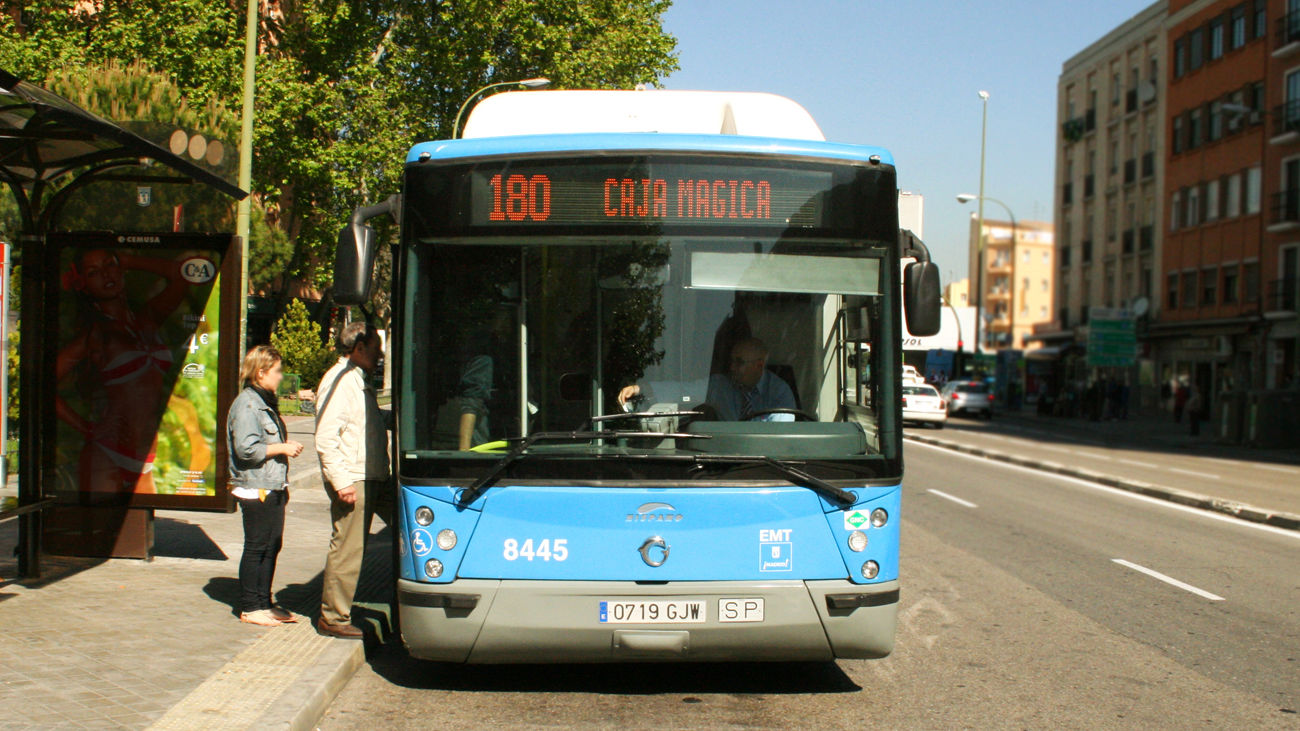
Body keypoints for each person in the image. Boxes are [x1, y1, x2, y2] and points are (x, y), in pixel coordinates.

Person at [55, 249, 200, 495]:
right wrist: (86, 428)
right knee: (100, 530)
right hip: (107, 452)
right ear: (84, 286)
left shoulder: (146, 319)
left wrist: (128, 260)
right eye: (93, 273)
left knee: (139, 527)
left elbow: (184, 276)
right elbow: (42, 385)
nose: (105, 275)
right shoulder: (94, 334)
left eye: (109, 265)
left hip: (146, 455)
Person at [314, 322, 390, 639]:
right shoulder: (340, 380)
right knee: (348, 547)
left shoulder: (357, 379)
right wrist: (341, 482)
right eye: (375, 348)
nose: (380, 355)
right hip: (354, 479)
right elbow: (325, 438)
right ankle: (333, 616)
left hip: (372, 475)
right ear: (358, 348)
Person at [227, 345, 304, 627]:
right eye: (277, 371)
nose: (281, 377)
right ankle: (250, 606)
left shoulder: (263, 401)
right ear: (261, 372)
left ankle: (264, 602)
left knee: (272, 544)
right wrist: (282, 447)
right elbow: (246, 449)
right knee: (257, 545)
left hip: (271, 484)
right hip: (254, 485)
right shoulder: (247, 404)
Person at [703, 337, 796, 421]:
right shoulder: (718, 385)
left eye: (739, 362)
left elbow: (778, 436)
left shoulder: (779, 392)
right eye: (731, 361)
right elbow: (689, 394)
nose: (732, 367)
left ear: (759, 365)